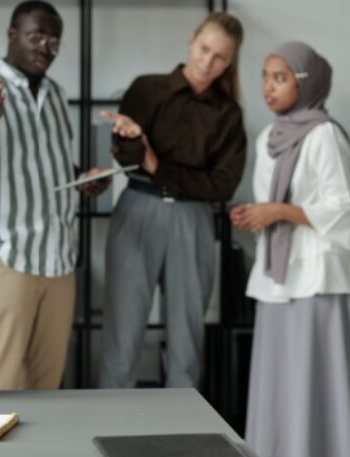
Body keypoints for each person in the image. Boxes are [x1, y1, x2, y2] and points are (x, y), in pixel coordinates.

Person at [230, 42, 350, 457]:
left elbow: (343, 210)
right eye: (264, 76)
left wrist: (277, 212)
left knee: (320, 388)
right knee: (284, 388)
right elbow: (275, 202)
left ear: (306, 82)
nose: (268, 87)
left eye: (280, 77)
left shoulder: (324, 134)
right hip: (279, 281)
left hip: (319, 281)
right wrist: (257, 214)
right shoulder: (269, 137)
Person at [0, 1, 110, 390]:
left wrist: (82, 180)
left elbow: (51, 166)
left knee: (47, 384)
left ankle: (38, 455)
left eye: (54, 41)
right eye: (36, 37)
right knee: (0, 379)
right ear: (12, 35)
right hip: (11, 256)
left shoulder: (56, 94)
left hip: (59, 260)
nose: (46, 48)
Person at [98, 13, 246, 389]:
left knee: (187, 342)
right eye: (204, 49)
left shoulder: (229, 114)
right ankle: (109, 433)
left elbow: (221, 187)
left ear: (230, 63)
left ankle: (183, 442)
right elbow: (125, 157)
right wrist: (132, 140)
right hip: (137, 210)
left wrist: (156, 164)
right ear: (191, 41)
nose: (207, 62)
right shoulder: (146, 90)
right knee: (122, 338)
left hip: (193, 220)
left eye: (220, 58)